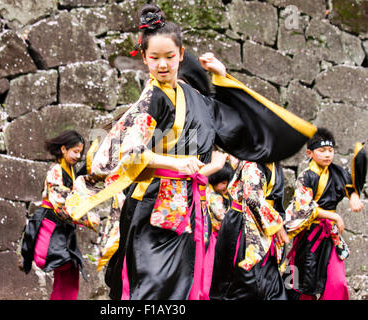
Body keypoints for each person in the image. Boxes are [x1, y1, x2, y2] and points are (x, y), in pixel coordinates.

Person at [61, 4, 316, 300]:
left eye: (170, 57)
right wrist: (176, 164)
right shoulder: (152, 97)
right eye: (154, 58)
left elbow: (236, 125)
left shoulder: (198, 100)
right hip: (152, 207)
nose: (163, 65)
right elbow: (130, 150)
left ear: (181, 55)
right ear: (143, 58)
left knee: (187, 288)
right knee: (151, 289)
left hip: (192, 209)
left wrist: (223, 77)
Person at [283, 128, 365, 300]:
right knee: (305, 286)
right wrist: (334, 216)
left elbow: (351, 187)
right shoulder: (306, 177)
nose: (327, 155)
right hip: (309, 236)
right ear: (309, 153)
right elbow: (304, 207)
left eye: (330, 150)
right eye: (322, 151)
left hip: (330, 236)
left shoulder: (337, 172)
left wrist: (355, 198)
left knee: (338, 282)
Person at [20, 130, 89, 300]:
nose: (77, 156)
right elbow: (60, 201)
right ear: (64, 149)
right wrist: (86, 219)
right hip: (51, 226)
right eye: (75, 151)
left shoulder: (71, 171)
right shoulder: (56, 170)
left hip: (63, 227)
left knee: (70, 273)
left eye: (80, 152)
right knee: (65, 264)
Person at [209, 159, 289, 300]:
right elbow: (252, 198)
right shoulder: (252, 163)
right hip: (244, 226)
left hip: (265, 227)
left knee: (270, 285)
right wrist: (277, 224)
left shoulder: (274, 164)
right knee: (244, 284)